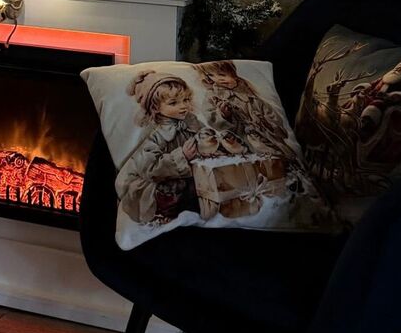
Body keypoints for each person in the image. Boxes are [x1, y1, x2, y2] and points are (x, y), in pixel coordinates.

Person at [117, 72, 244, 226]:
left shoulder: (190, 121)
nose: (183, 106)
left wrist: (211, 143)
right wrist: (182, 156)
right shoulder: (154, 133)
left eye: (185, 100)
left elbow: (204, 137)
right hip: (155, 181)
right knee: (180, 191)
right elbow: (149, 168)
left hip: (187, 176)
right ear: (155, 107)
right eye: (173, 103)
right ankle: (170, 213)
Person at [196, 60, 297, 160]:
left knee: (284, 154)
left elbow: (269, 112)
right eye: (211, 75)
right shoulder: (213, 95)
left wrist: (268, 124)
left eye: (222, 74)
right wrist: (224, 115)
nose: (218, 79)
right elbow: (211, 118)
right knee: (263, 155)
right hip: (242, 139)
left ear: (232, 73)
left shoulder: (247, 90)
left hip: (268, 134)